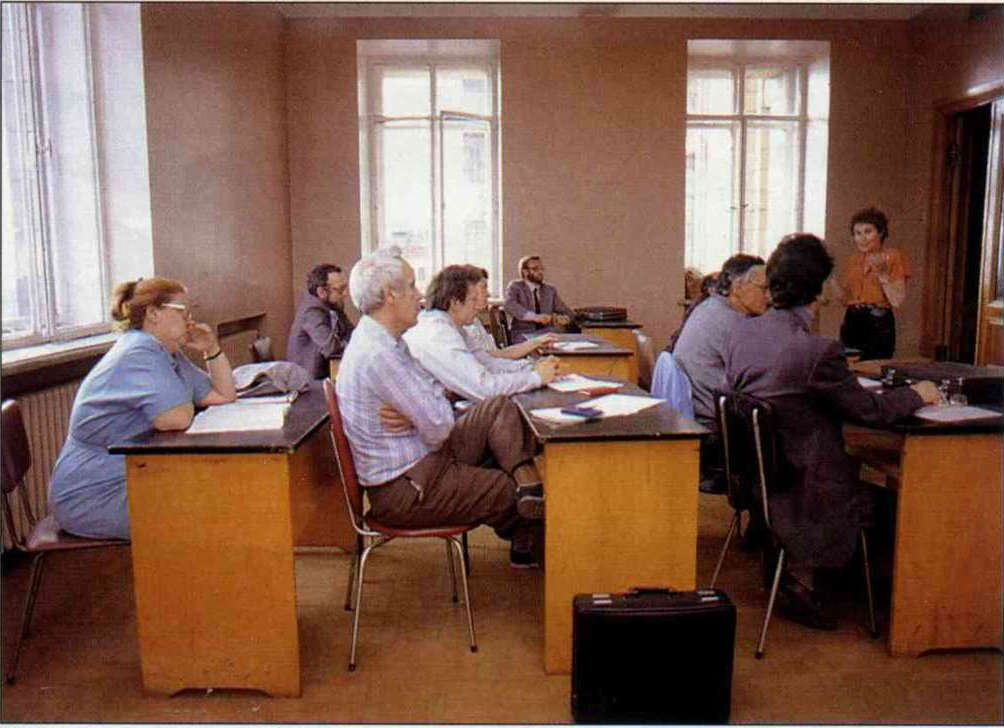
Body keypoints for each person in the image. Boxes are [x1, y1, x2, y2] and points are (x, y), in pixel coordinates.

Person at [724, 233, 939, 629]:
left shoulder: (742, 333)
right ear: (821, 288)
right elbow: (869, 410)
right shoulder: (817, 351)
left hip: (762, 482)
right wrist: (917, 394)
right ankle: (880, 600)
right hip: (808, 488)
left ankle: (800, 574)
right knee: (899, 501)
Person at [335, 248, 547, 568]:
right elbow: (440, 427)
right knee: (506, 488)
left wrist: (417, 414)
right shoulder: (379, 354)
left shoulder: (386, 339)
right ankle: (535, 535)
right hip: (408, 488)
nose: (419, 295)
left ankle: (527, 480)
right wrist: (424, 413)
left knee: (497, 407)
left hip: (422, 460)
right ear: (390, 295)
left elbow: (435, 399)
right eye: (411, 286)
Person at [49, 277, 237, 540]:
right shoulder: (138, 352)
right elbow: (175, 419)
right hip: (92, 494)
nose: (191, 322)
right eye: (184, 312)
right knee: (210, 509)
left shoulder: (166, 352)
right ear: (153, 314)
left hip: (130, 475)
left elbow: (223, 395)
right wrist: (183, 399)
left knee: (220, 493)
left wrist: (211, 349)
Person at [672, 254, 768, 493]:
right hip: (717, 434)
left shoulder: (709, 307)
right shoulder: (733, 323)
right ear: (737, 287)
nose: (768, 296)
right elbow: (760, 379)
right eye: (763, 288)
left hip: (701, 418)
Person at [404, 265, 562, 402]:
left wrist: (532, 367)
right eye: (473, 300)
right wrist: (536, 377)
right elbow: (484, 388)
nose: (478, 306)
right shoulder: (438, 333)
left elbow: (487, 362)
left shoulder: (452, 327)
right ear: (455, 303)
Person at [836, 207, 908, 360]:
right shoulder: (853, 260)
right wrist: (830, 278)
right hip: (852, 321)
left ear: (880, 232)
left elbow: (897, 300)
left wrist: (882, 273)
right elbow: (845, 300)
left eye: (868, 232)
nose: (862, 238)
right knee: (848, 366)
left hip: (878, 322)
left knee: (874, 368)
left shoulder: (893, 257)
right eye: (857, 233)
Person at [464, 267, 558, 360]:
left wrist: (536, 343)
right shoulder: (466, 329)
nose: (488, 294)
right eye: (484, 287)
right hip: (521, 335)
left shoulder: (474, 321)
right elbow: (491, 359)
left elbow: (497, 354)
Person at [286, 263, 355, 378]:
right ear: (321, 292)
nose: (345, 294)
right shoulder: (311, 312)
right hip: (309, 381)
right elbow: (331, 348)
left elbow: (352, 334)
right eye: (340, 290)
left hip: (327, 373)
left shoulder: (334, 306)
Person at [503, 255, 577, 343]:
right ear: (525, 272)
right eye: (535, 269)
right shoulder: (516, 286)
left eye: (541, 269)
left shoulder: (550, 290)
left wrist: (566, 318)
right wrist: (535, 317)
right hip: (523, 334)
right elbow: (509, 305)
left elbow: (566, 311)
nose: (540, 272)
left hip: (547, 333)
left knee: (568, 340)